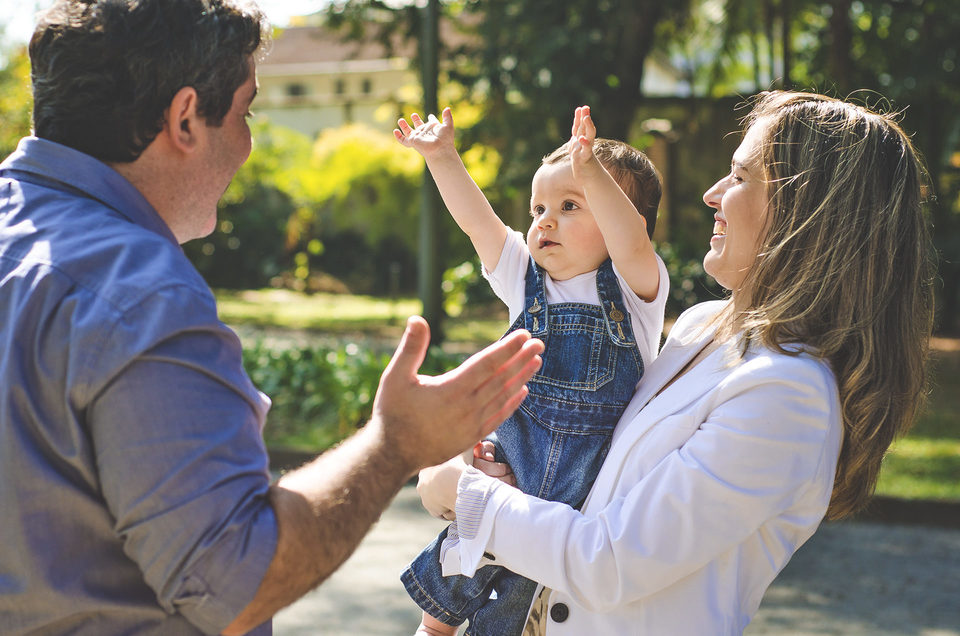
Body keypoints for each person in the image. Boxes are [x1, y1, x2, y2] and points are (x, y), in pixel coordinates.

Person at [0, 1, 543, 634]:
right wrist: (394, 445)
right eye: (245, 111)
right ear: (184, 119)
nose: (249, 144)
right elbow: (237, 584)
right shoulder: (142, 297)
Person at [415, 90, 935, 635]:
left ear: (808, 212)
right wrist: (486, 464)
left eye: (739, 177)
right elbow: (595, 480)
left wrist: (463, 493)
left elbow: (610, 561)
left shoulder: (788, 393)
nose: (712, 194)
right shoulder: (702, 326)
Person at [393, 105, 669, 635]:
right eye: (539, 207)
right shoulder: (525, 279)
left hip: (577, 499)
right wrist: (443, 158)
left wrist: (590, 169)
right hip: (510, 464)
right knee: (451, 584)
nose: (545, 220)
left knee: (516, 610)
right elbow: (480, 223)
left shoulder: (635, 289)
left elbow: (630, 238)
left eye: (570, 205)